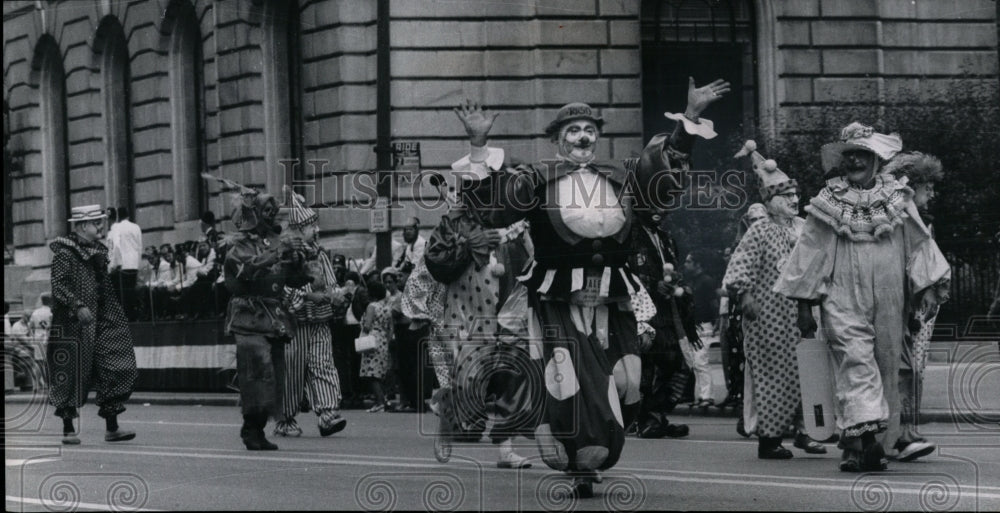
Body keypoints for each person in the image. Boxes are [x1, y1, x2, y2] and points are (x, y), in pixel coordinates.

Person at [457, 76, 730, 496]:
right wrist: (479, 147)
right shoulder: (536, 179)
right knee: (573, 375)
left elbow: (664, 176)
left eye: (589, 130)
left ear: (597, 137)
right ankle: (580, 458)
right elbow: (491, 209)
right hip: (558, 294)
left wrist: (689, 118)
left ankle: (591, 449)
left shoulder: (622, 174)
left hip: (613, 294)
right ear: (556, 141)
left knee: (625, 379)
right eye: (573, 130)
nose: (583, 136)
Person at [774, 122, 951, 472]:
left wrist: (928, 288)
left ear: (874, 158)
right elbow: (809, 255)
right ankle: (865, 445)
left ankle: (862, 446)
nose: (854, 160)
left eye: (861, 154)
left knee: (886, 368)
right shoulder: (828, 201)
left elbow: (919, 246)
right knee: (855, 364)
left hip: (890, 300)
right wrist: (804, 307)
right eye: (849, 155)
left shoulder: (898, 198)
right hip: (842, 298)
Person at [724, 140, 827, 459]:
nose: (795, 200)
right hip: (767, 318)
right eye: (787, 196)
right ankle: (769, 440)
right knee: (773, 377)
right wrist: (745, 296)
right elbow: (739, 266)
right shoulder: (759, 230)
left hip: (802, 314)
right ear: (770, 200)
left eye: (796, 195)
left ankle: (805, 431)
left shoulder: (803, 228)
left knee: (808, 373)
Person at [205, 174, 296, 451]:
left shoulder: (273, 242)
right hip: (247, 316)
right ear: (254, 214)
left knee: (273, 373)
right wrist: (275, 256)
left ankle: (258, 427)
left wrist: (298, 260)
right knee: (258, 370)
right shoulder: (237, 245)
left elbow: (289, 276)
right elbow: (246, 267)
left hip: (272, 316)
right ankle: (251, 427)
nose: (271, 215)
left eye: (273, 211)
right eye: (265, 210)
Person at [48, 204, 137, 444]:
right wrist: (77, 305)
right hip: (73, 321)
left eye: (101, 221)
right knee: (70, 371)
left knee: (114, 361)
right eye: (95, 222)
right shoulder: (65, 253)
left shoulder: (97, 252)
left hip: (102, 316)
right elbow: (59, 285)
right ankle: (68, 427)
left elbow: (103, 286)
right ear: (80, 227)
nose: (101, 226)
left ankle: (112, 426)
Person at [884, 151, 947, 462]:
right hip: (902, 306)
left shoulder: (921, 220)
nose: (931, 193)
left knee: (912, 370)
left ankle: (904, 431)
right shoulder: (903, 218)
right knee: (904, 370)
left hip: (915, 308)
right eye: (927, 187)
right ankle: (901, 434)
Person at [273, 189, 348, 437]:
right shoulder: (285, 256)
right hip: (295, 322)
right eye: (310, 226)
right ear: (297, 230)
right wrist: (307, 295)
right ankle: (285, 419)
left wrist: (337, 293)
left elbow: (330, 283)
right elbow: (281, 289)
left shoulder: (320, 254)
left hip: (320, 319)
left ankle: (327, 414)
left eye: (315, 225)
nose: (316, 230)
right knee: (293, 370)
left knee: (323, 364)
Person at [626, 209, 697, 439]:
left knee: (676, 362)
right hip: (641, 311)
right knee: (648, 365)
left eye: (663, 205)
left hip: (668, 310)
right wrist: (652, 284)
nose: (659, 212)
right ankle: (645, 419)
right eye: (654, 205)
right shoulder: (627, 234)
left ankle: (657, 415)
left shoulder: (665, 238)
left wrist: (677, 285)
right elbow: (625, 272)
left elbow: (675, 270)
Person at [679, 251, 715, 408]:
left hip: (702, 324)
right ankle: (703, 395)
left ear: (697, 264)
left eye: (689, 262)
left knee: (701, 360)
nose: (686, 265)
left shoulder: (706, 281)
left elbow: (713, 303)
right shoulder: (693, 281)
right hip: (694, 325)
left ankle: (707, 396)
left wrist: (713, 322)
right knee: (696, 362)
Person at [359, 280, 393, 412]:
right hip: (383, 339)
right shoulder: (386, 308)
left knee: (371, 373)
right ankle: (382, 400)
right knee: (379, 372)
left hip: (371, 339)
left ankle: (379, 402)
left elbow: (367, 325)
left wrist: (362, 331)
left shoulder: (371, 306)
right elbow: (391, 328)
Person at [111, 207, 142, 321]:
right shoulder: (136, 227)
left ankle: (125, 316)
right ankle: (133, 315)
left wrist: (116, 263)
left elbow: (117, 246)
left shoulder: (117, 227)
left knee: (122, 292)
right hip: (133, 263)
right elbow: (139, 246)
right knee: (131, 290)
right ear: (128, 215)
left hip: (123, 263)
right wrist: (138, 263)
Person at [29, 293, 53, 389]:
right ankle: (49, 383)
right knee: (50, 361)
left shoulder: (35, 312)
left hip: (38, 337)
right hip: (49, 337)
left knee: (38, 361)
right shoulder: (51, 312)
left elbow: (30, 326)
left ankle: (36, 384)